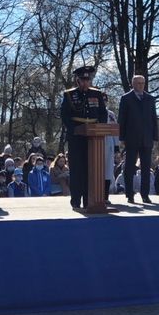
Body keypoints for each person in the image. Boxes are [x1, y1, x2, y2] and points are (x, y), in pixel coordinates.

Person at [61, 66, 107, 209]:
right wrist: (75, 129)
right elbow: (65, 115)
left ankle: (89, 200)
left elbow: (102, 114)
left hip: (93, 138)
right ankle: (76, 200)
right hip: (76, 137)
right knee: (76, 169)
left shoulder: (97, 94)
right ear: (77, 80)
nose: (86, 83)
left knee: (90, 170)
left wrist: (100, 127)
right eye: (83, 80)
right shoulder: (69, 95)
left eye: (88, 80)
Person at [117, 74, 158, 204]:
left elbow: (153, 119)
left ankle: (145, 195)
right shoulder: (126, 98)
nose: (141, 85)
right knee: (129, 167)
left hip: (146, 138)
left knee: (146, 167)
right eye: (138, 83)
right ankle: (130, 195)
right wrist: (121, 137)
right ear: (133, 84)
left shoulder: (150, 99)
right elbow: (121, 119)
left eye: (142, 83)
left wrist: (154, 137)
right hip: (131, 137)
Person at [103, 92, 119, 203]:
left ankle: (105, 196)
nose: (103, 102)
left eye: (105, 100)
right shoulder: (92, 113)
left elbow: (114, 130)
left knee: (108, 170)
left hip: (108, 142)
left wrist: (116, 145)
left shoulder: (110, 114)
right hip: (95, 142)